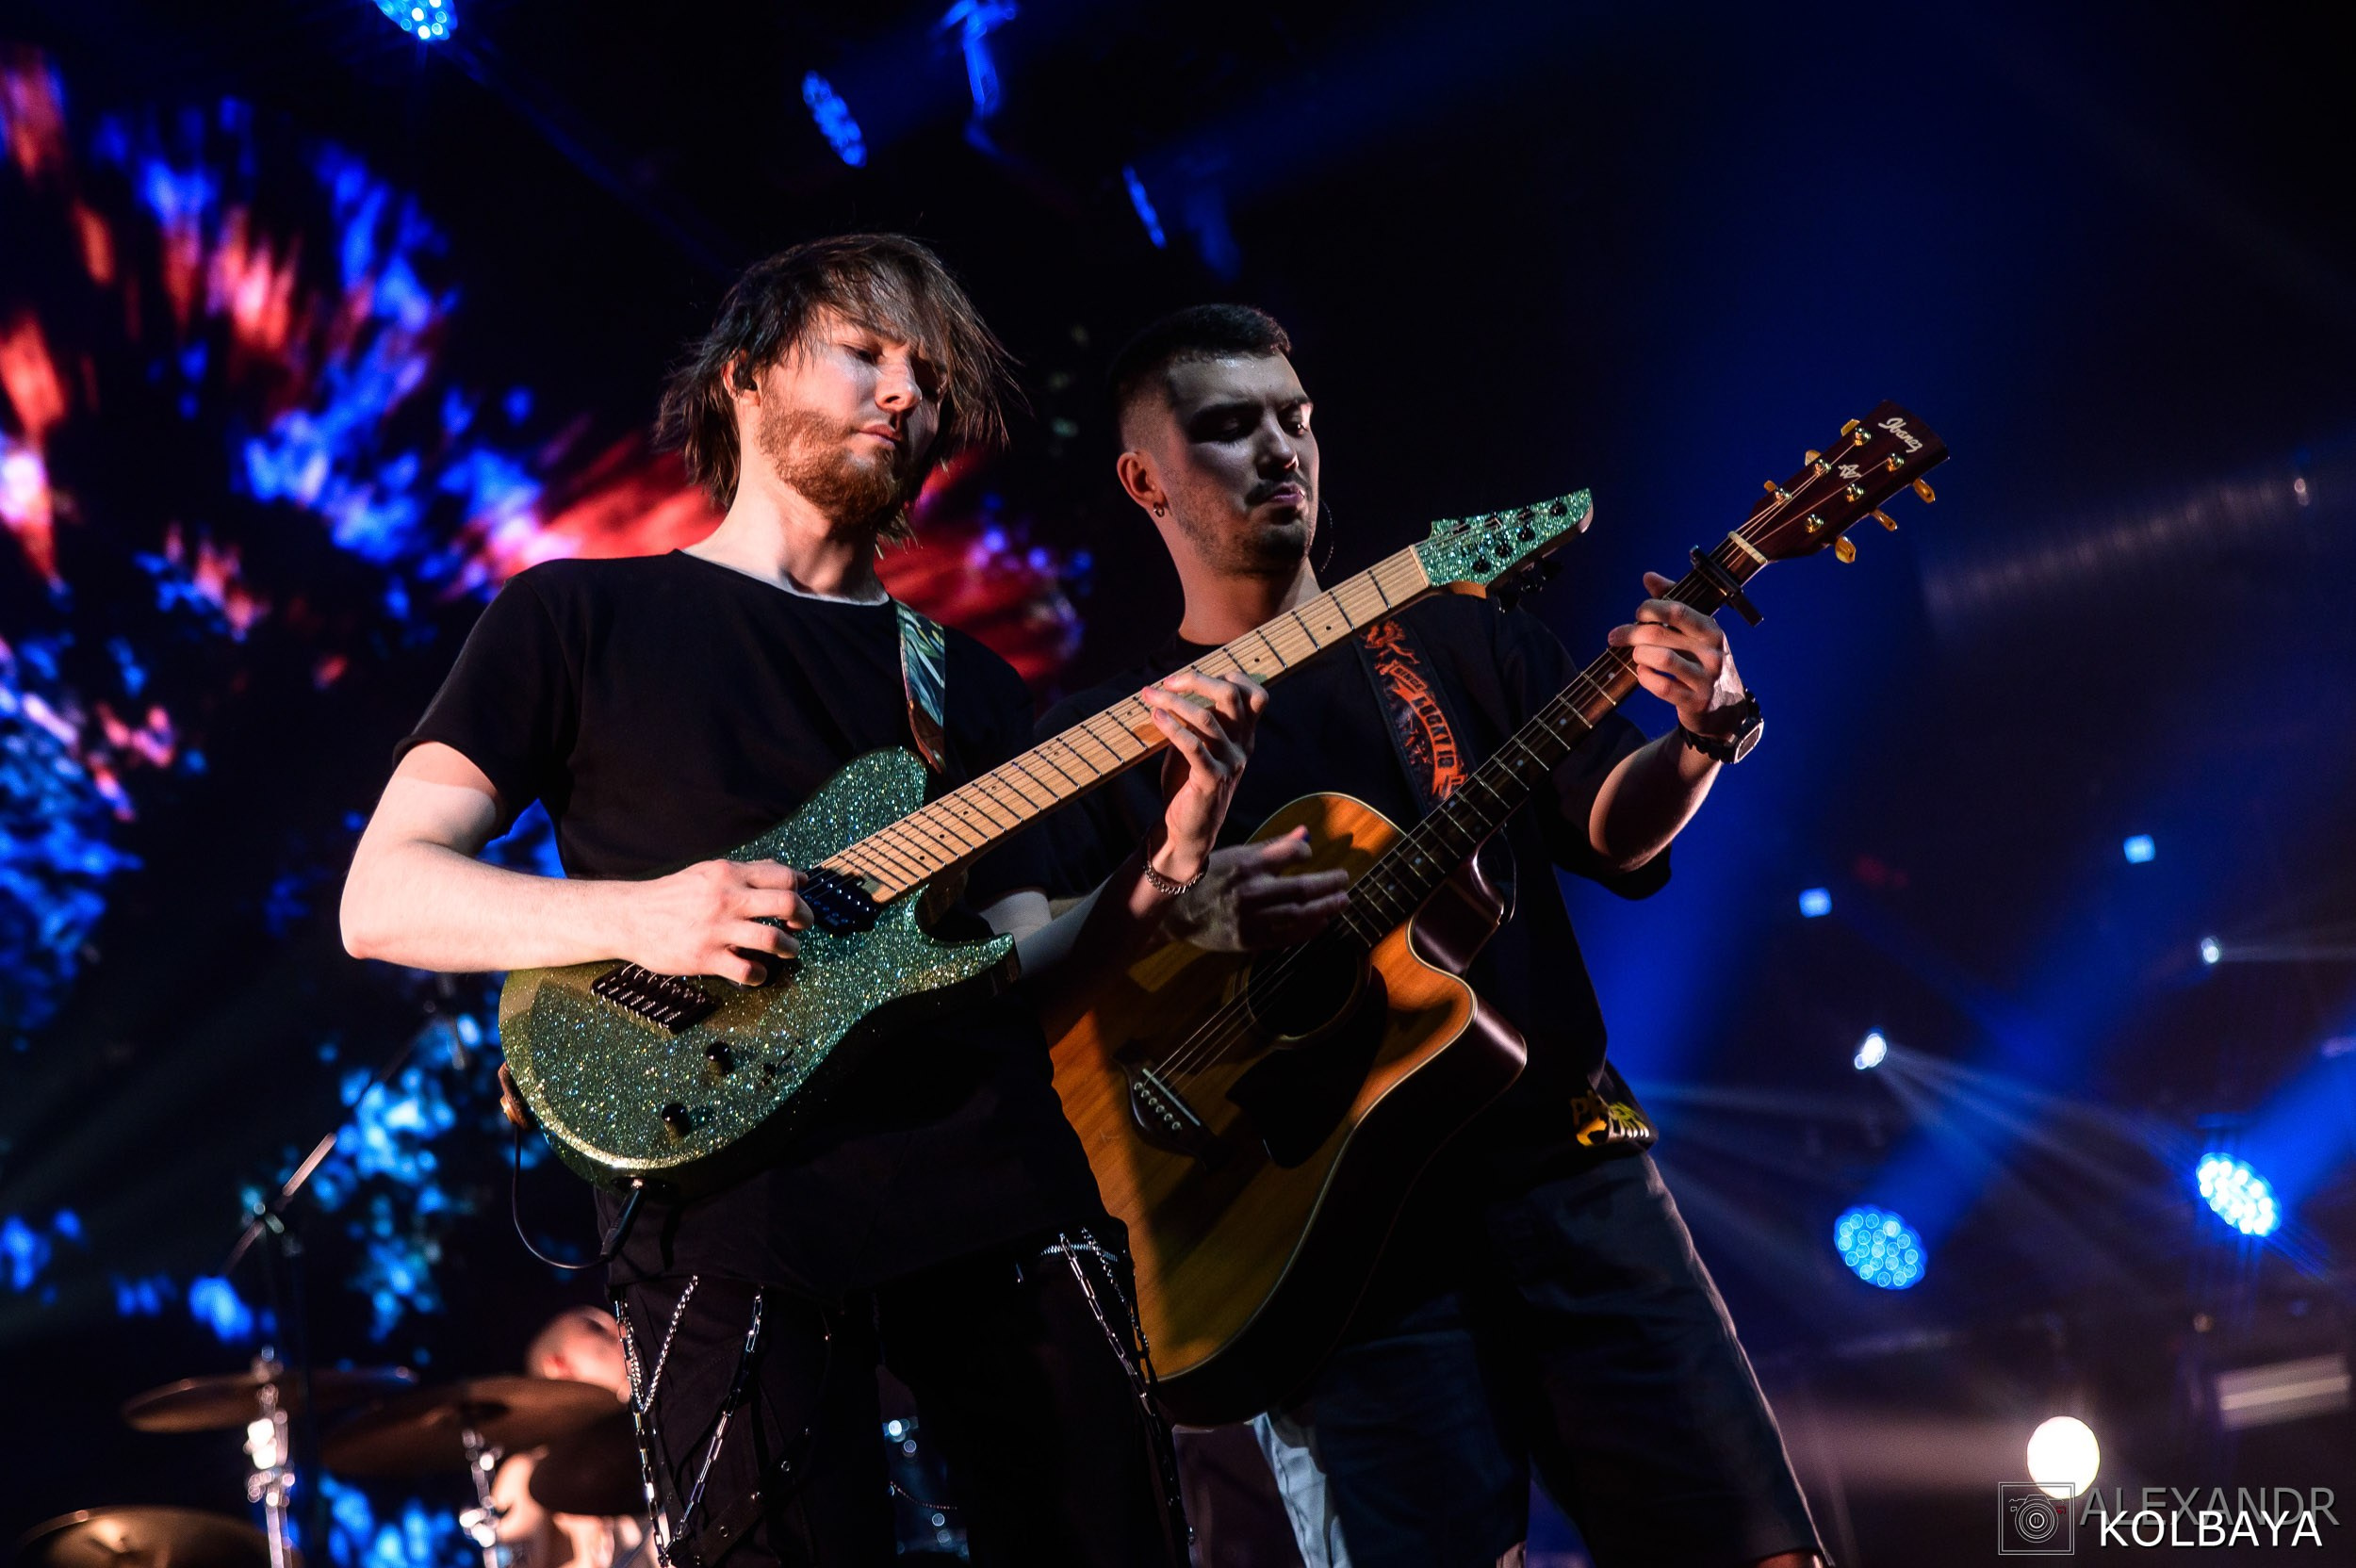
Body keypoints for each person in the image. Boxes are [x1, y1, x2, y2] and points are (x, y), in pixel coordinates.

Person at [341, 237, 1270, 1566]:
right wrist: (641, 916)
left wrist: (1166, 868)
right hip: (724, 1208)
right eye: (866, 352)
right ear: (744, 376)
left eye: (931, 378)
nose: (907, 393)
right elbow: (384, 894)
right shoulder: (574, 619)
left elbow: (1022, 967)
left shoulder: (965, 683)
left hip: (997, 1192)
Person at [1035, 304, 1826, 1568]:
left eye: (1295, 418)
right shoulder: (1105, 739)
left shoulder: (1454, 634)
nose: (1281, 450)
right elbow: (1047, 996)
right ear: (1145, 479)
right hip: (1328, 1252)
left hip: (1566, 1176)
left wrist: (1702, 737)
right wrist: (1177, 899)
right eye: (1230, 426)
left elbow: (1611, 830)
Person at [491, 1308, 644, 1568]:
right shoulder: (524, 1473)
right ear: (558, 1367)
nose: (623, 1331)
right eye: (597, 1329)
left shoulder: (648, 1441)